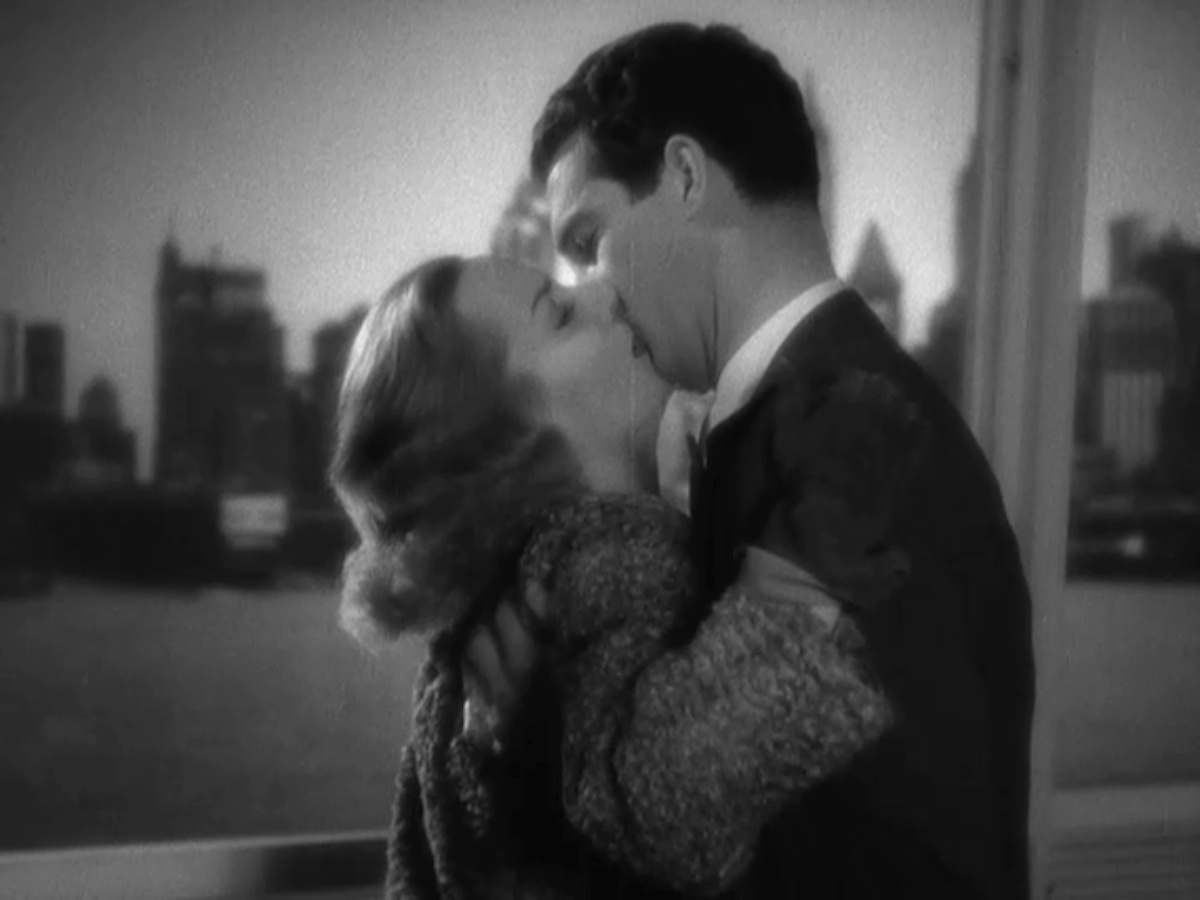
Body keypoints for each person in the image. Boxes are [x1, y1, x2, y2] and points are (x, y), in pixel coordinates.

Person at [470, 21, 1036, 900]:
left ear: (686, 177)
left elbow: (903, 865)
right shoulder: (795, 415)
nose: (589, 291)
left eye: (586, 240)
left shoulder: (848, 443)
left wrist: (549, 740)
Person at [330, 254, 904, 898]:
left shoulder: (467, 647)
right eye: (561, 314)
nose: (605, 293)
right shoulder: (604, 562)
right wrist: (797, 576)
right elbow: (662, 803)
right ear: (500, 440)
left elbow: (414, 875)